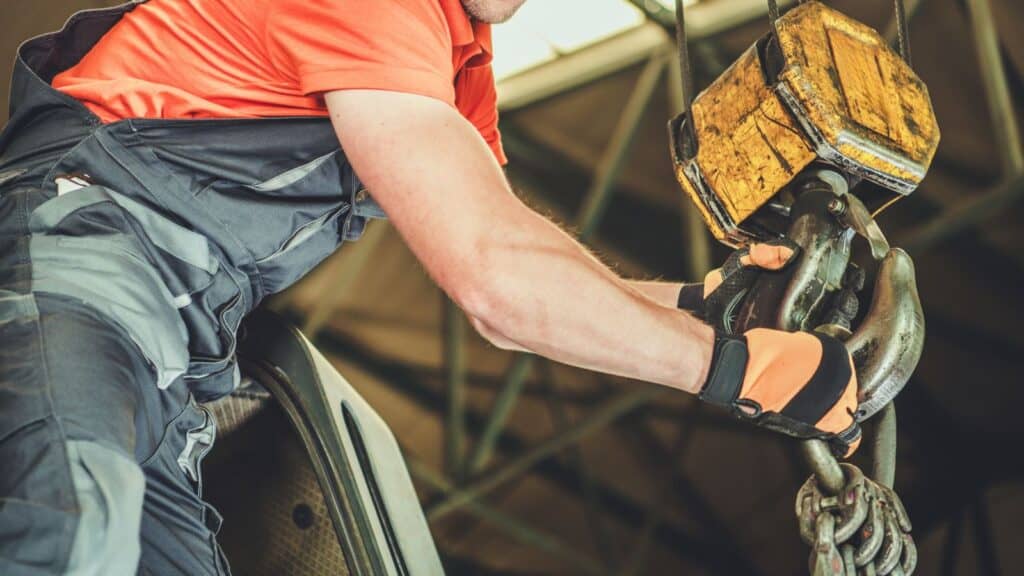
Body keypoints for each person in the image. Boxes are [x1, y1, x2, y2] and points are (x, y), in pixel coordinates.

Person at [0, 0, 861, 573]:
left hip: (163, 370)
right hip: (69, 285)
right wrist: (735, 368)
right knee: (62, 535)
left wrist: (705, 307)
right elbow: (492, 274)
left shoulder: (456, 68)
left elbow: (521, 281)